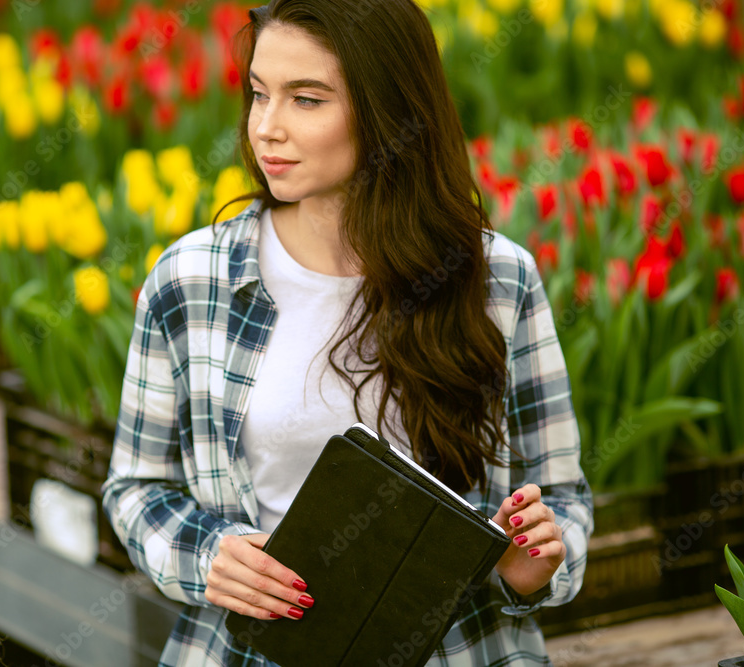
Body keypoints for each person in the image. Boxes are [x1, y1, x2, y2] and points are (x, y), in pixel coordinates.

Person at [102, 1, 593, 665]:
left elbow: (562, 496)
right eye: (258, 94)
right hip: (251, 651)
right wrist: (206, 554)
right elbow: (136, 488)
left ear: (387, 108)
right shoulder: (191, 280)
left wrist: (535, 562)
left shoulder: (496, 282)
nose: (266, 128)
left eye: (306, 100)